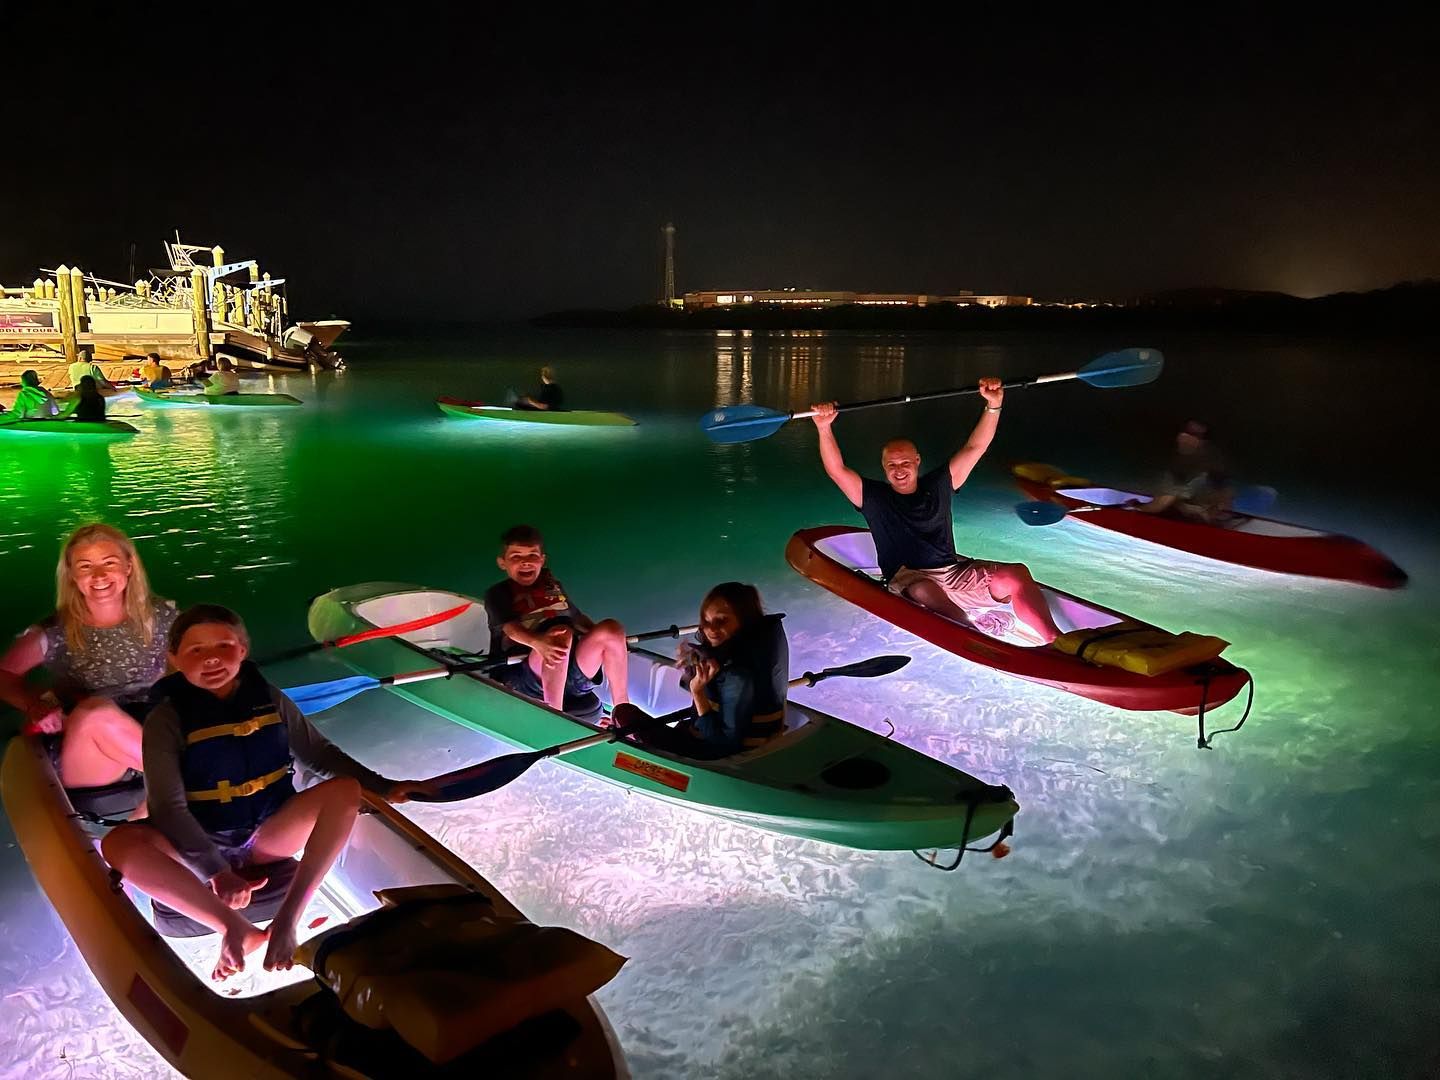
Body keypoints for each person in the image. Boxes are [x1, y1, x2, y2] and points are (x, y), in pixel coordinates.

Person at [100, 604, 431, 979]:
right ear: (174, 659)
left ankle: (289, 918)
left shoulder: (268, 697)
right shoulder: (167, 718)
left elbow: (319, 754)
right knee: (119, 843)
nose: (211, 659)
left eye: (224, 646)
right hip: (201, 838)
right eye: (196, 650)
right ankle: (232, 927)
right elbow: (168, 808)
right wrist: (216, 871)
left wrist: (384, 786)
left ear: (243, 650)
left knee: (345, 791)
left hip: (267, 835)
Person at [810, 378, 1061, 645]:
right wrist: (824, 428)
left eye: (905, 462)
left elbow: (975, 448)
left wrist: (993, 405)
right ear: (883, 466)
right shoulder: (873, 497)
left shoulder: (939, 484)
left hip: (953, 575)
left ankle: (1053, 640)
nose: (899, 469)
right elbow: (837, 470)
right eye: (892, 464)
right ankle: (978, 639)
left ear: (917, 461)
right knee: (923, 589)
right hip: (909, 578)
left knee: (1015, 574)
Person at [0, 523, 175, 790]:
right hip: (87, 752)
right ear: (72, 575)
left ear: (129, 566)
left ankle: (175, 784)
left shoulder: (163, 616)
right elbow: (4, 675)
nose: (99, 575)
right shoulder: (54, 632)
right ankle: (193, 787)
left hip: (151, 734)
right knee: (96, 713)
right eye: (85, 566)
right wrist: (34, 705)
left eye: (109, 562)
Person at [483, 525, 631, 712]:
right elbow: (511, 630)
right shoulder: (497, 593)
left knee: (612, 628)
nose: (526, 562)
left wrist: (613, 643)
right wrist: (540, 643)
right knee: (560, 633)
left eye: (532, 556)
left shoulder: (553, 587)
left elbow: (577, 619)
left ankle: (623, 710)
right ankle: (554, 713)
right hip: (524, 677)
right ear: (502, 563)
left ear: (542, 561)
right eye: (516, 557)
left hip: (572, 675)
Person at [641, 582, 788, 759]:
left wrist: (698, 692)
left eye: (721, 620)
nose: (710, 629)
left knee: (624, 715)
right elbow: (720, 692)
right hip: (759, 743)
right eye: (706, 621)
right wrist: (691, 666)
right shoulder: (758, 645)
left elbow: (724, 743)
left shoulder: (737, 673)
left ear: (745, 619)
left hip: (719, 754)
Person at [1127, 420, 1233, 523]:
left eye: (1194, 435)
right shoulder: (1175, 460)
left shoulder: (1209, 464)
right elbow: (1167, 497)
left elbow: (1159, 505)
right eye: (1185, 432)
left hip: (1198, 515)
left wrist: (1137, 508)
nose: (1185, 437)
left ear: (1203, 442)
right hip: (1183, 506)